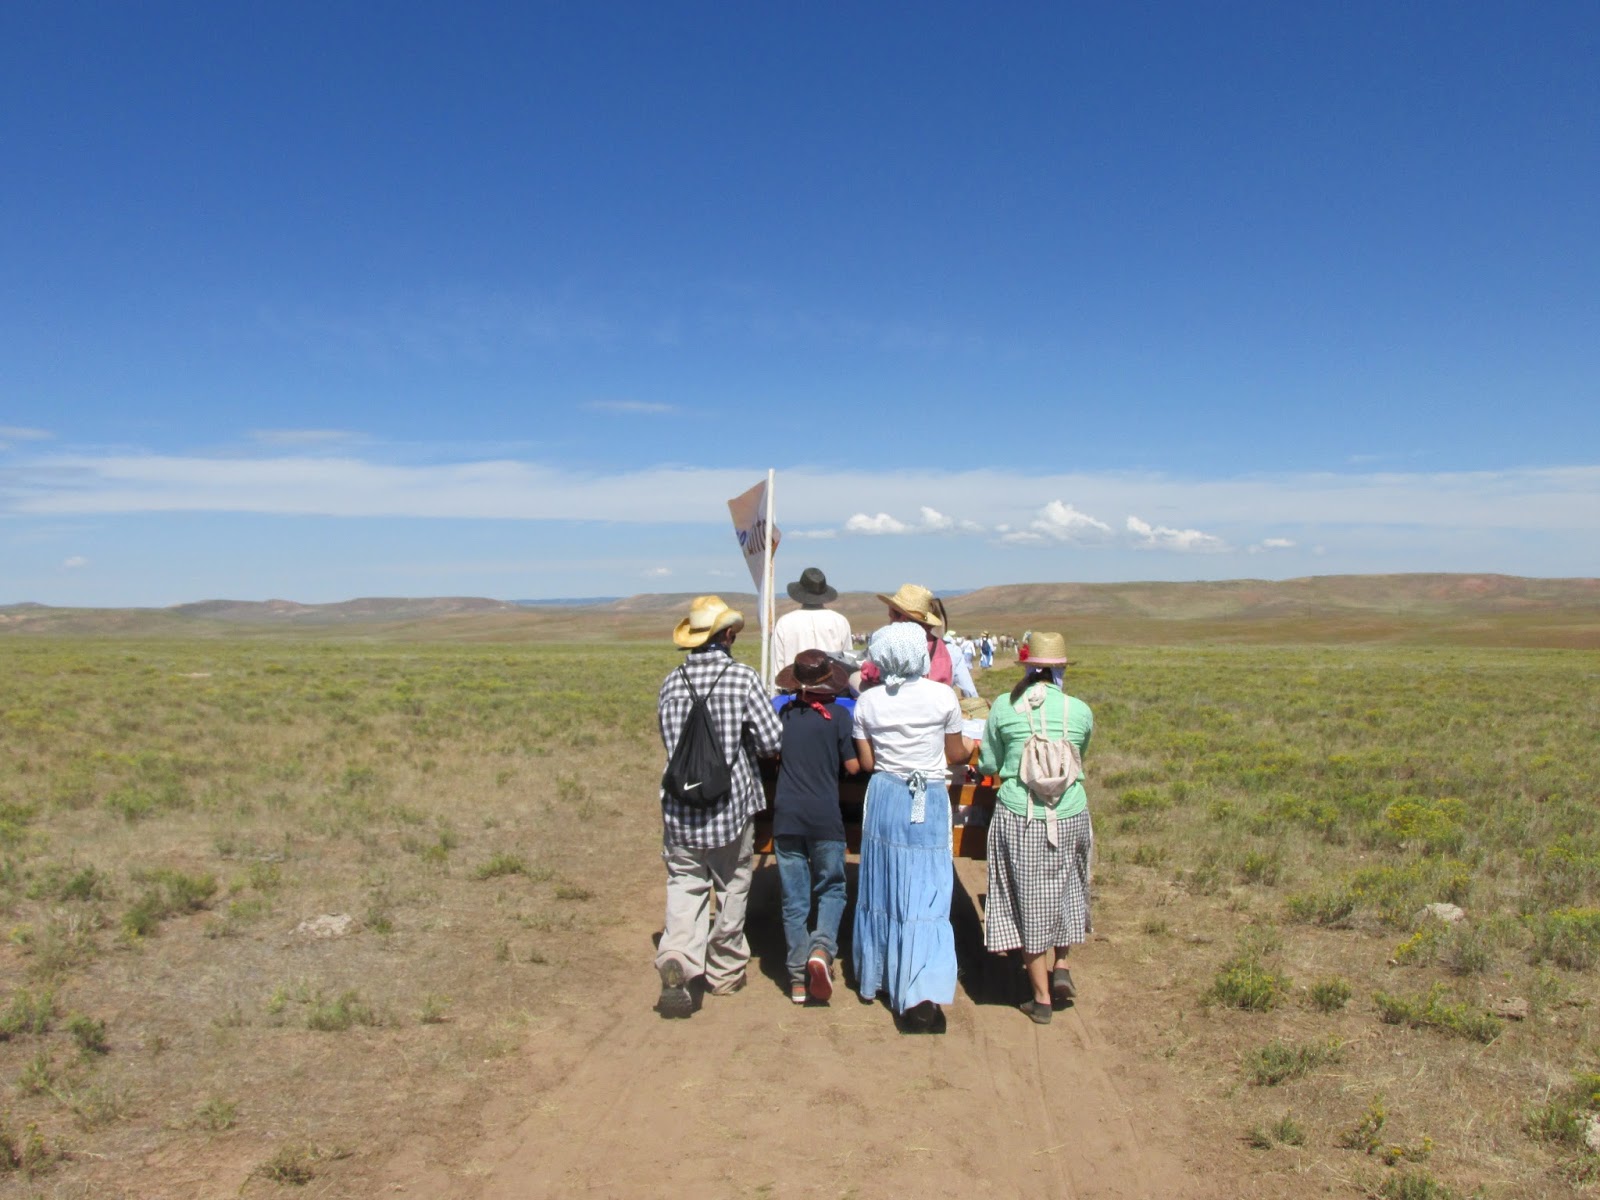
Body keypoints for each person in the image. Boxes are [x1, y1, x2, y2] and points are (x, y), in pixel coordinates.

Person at [654, 595, 782, 1018]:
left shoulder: (671, 683)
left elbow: (669, 740)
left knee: (685, 883)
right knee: (732, 884)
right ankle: (724, 971)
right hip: (729, 806)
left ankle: (677, 954)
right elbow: (771, 740)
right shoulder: (742, 678)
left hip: (680, 806)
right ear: (727, 636)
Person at [851, 622, 974, 1031]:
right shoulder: (942, 696)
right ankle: (922, 990)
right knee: (927, 891)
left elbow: (867, 763)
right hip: (927, 797)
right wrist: (968, 746)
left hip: (886, 796)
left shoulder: (868, 702)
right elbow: (956, 754)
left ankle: (883, 975)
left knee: (885, 886)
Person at [977, 631, 1095, 1025]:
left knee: (1023, 896)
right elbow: (1080, 754)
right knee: (1069, 884)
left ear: (1027, 668)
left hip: (1020, 813)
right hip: (1070, 811)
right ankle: (1061, 963)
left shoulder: (1004, 707)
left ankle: (1041, 998)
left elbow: (990, 763)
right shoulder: (1079, 710)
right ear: (1061, 669)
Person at [771, 649, 860, 1005]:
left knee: (794, 898)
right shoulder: (838, 716)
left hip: (787, 817)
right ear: (829, 682)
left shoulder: (785, 715)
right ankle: (821, 950)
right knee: (832, 888)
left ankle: (796, 979)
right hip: (825, 817)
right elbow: (852, 767)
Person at [858, 583, 955, 689]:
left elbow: (871, 673)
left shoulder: (896, 642)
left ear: (903, 619)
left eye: (891, 617)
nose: (890, 623)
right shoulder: (940, 646)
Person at [771, 567, 853, 672]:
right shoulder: (840, 622)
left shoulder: (784, 623)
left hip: (793, 681)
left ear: (800, 592)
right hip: (832, 681)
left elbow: (778, 666)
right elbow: (847, 663)